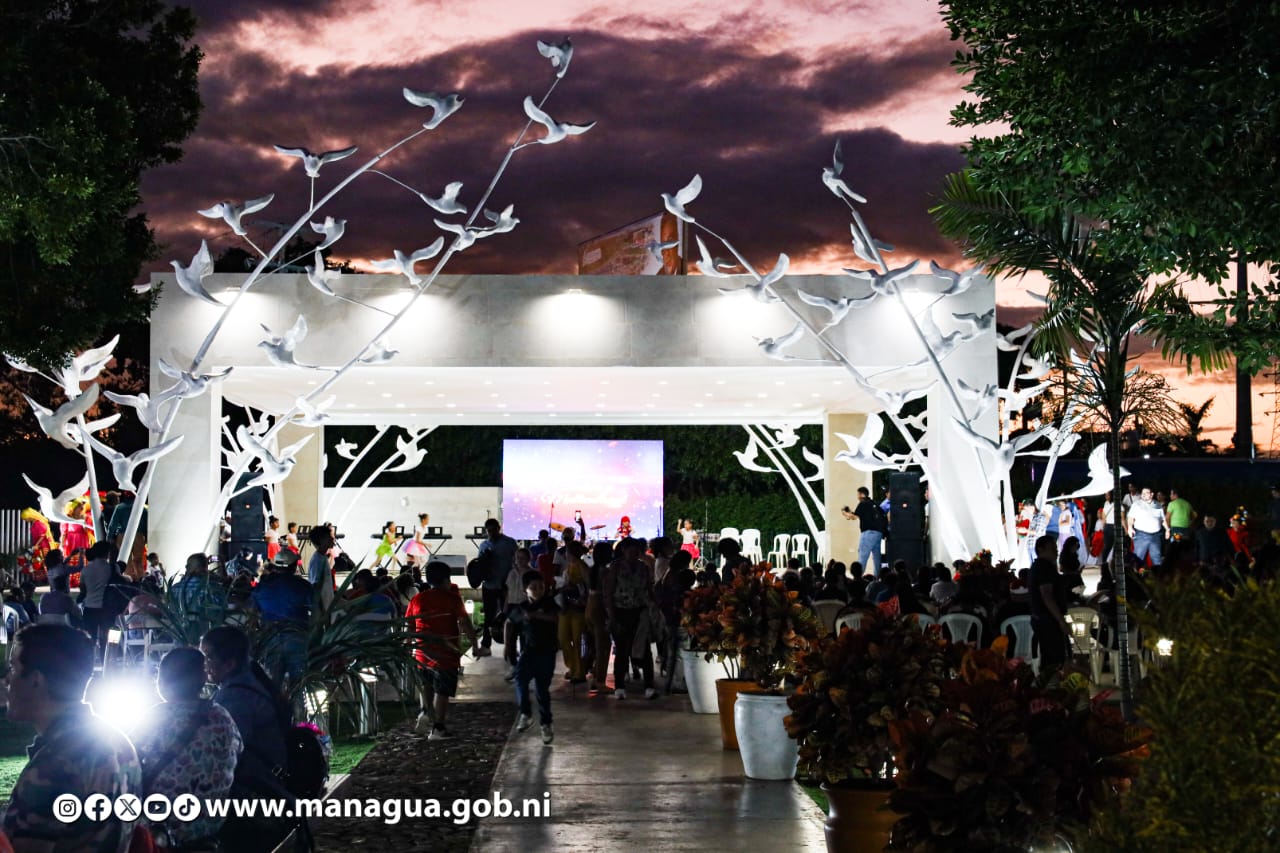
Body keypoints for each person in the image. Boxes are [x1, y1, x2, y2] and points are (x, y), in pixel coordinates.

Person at [3, 624, 142, 852]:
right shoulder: (119, 742)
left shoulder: (55, 764)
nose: (7, 680)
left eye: (13, 668)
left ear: (36, 680)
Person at [135, 647, 242, 850]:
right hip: (208, 828)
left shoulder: (156, 716)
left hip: (162, 830)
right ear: (202, 679)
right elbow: (237, 755)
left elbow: (127, 761)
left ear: (162, 681)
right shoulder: (222, 716)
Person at [201, 626, 295, 852]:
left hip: (255, 790)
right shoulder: (248, 682)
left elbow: (224, 754)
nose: (204, 664)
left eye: (208, 656)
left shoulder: (236, 696)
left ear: (229, 663)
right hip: (266, 782)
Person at [405, 561, 479, 740]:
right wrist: (474, 643)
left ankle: (425, 711)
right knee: (443, 690)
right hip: (446, 652)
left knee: (427, 684)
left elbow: (410, 625)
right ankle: (438, 727)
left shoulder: (418, 599)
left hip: (422, 651)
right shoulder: (452, 599)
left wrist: (408, 644)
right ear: (447, 579)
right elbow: (464, 622)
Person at [508, 570, 560, 744]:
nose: (538, 591)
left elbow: (554, 618)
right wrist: (508, 646)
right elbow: (510, 623)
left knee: (541, 689)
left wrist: (535, 615)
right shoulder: (522, 607)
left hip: (547, 653)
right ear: (525, 590)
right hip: (528, 652)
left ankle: (546, 723)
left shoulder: (549, 603)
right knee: (520, 679)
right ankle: (526, 713)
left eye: (541, 587)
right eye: (534, 588)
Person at [603, 537, 658, 700]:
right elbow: (608, 591)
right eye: (631, 550)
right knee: (622, 649)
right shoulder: (616, 567)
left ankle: (649, 686)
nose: (634, 553)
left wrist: (651, 607)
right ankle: (619, 686)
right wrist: (611, 615)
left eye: (636, 551)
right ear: (623, 551)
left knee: (645, 649)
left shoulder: (643, 567)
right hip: (621, 611)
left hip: (640, 611)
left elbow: (648, 588)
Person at [252, 549, 314, 694]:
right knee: (299, 687)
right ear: (294, 566)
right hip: (297, 639)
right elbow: (316, 610)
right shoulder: (303, 585)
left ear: (275, 566)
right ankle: (299, 708)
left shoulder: (262, 587)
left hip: (270, 640)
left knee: (271, 687)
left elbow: (253, 615)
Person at [1029, 534, 1071, 675]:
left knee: (1052, 659)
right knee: (1054, 661)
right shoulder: (1043, 567)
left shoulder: (1041, 566)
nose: (1056, 551)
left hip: (1044, 619)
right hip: (1047, 620)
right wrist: (1060, 620)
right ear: (1041, 549)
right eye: (1052, 548)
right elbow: (1047, 595)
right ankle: (1052, 684)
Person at [476, 518, 517, 656]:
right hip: (489, 585)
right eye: (489, 531)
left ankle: (511, 647)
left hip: (506, 585)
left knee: (509, 616)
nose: (492, 533)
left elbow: (517, 561)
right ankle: (486, 646)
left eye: (494, 530)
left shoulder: (509, 543)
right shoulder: (483, 545)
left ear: (499, 528)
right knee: (489, 617)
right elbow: (480, 565)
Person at [556, 541, 590, 683]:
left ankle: (579, 671)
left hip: (578, 608)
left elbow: (588, 585)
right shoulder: (569, 566)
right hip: (567, 606)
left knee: (578, 640)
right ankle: (573, 666)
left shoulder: (582, 566)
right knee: (563, 637)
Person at [502, 548, 534, 681]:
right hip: (512, 606)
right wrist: (505, 608)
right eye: (517, 558)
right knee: (510, 637)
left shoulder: (531, 574)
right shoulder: (512, 573)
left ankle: (524, 667)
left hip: (525, 606)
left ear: (528, 559)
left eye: (522, 558)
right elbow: (508, 591)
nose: (519, 560)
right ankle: (514, 665)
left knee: (524, 638)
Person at [842, 487, 886, 577]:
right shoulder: (874, 503)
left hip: (868, 533)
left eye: (858, 494)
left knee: (863, 556)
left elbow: (854, 517)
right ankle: (877, 578)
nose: (857, 497)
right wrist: (851, 512)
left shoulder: (863, 503)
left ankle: (858, 578)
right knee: (877, 558)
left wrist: (845, 513)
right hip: (878, 533)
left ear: (862, 494)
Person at [1127, 487, 1167, 567]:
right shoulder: (1137, 504)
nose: (1143, 495)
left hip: (1156, 536)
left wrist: (1167, 529)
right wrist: (1130, 527)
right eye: (1142, 493)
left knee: (1157, 559)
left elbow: (1162, 519)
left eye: (1146, 493)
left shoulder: (1158, 505)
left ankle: (1157, 574)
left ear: (1152, 494)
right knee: (1138, 558)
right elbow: (1130, 517)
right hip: (1141, 535)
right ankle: (1137, 574)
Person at [307, 525, 336, 608]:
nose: (332, 538)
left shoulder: (322, 557)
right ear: (322, 540)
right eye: (329, 536)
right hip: (323, 609)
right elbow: (315, 587)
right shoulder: (317, 561)